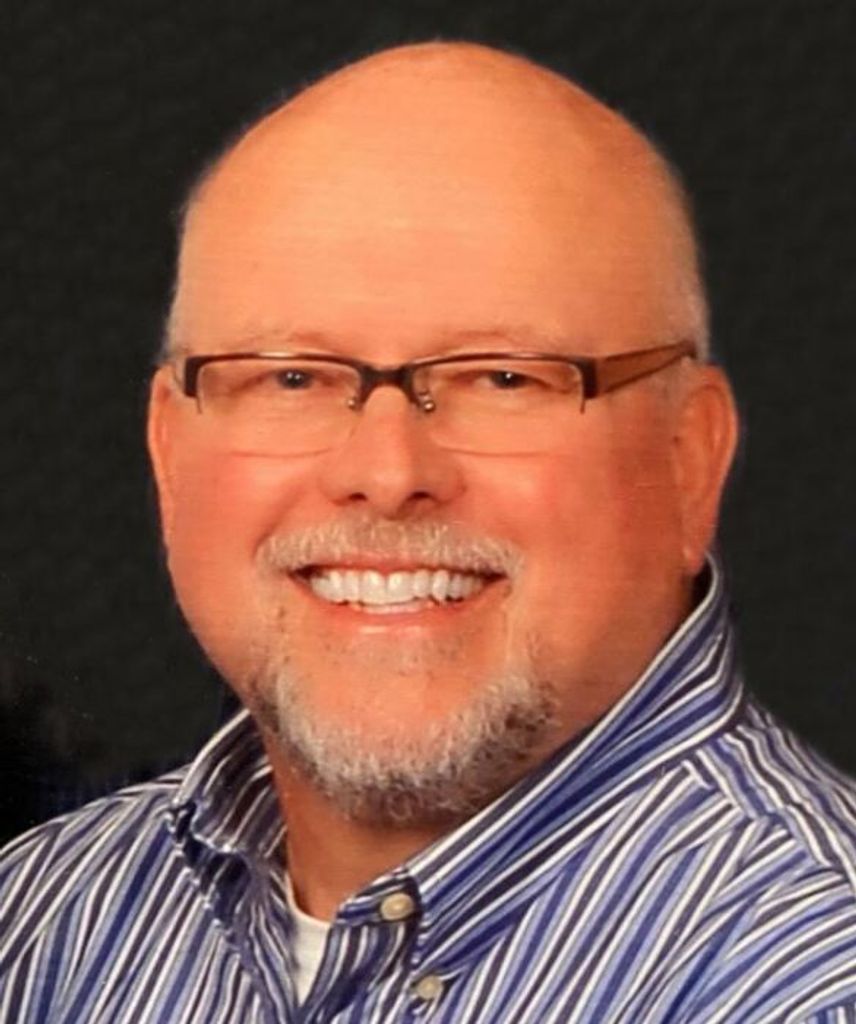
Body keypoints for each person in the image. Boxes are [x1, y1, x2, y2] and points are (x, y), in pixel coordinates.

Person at [1, 41, 855, 1024]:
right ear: (168, 451)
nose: (386, 472)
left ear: (689, 458)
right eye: (291, 377)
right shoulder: (41, 923)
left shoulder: (813, 983)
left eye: (503, 377)